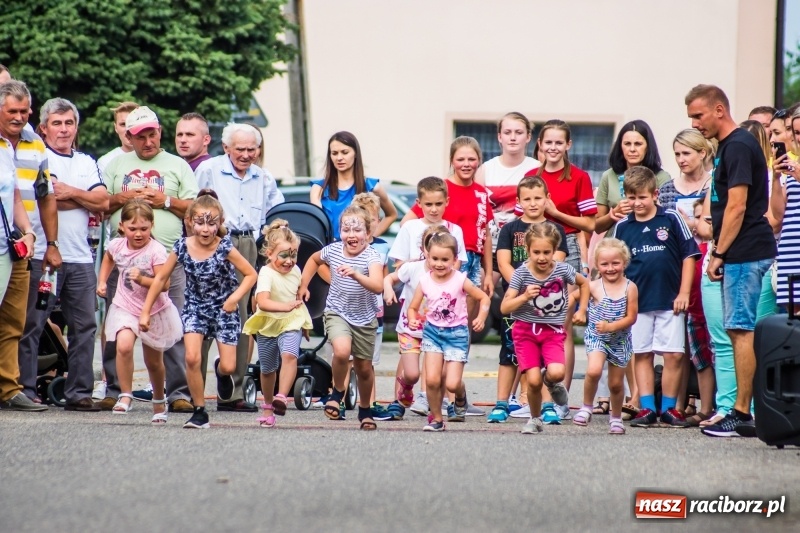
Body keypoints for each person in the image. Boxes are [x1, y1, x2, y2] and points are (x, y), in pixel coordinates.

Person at [686, 84, 777, 438]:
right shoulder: (729, 146)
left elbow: (738, 206)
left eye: (699, 115)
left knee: (741, 331)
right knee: (738, 329)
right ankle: (742, 409)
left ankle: (741, 412)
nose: (695, 124)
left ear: (719, 110)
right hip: (742, 251)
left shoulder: (738, 144)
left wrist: (719, 253)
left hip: (745, 251)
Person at [101, 105, 198, 413]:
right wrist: (123, 198)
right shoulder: (115, 164)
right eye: (140, 136)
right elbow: (101, 203)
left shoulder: (177, 165)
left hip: (167, 258)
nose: (147, 141)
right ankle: (114, 389)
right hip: (124, 260)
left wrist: (165, 200)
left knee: (171, 325)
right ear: (129, 136)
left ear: (160, 132)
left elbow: (195, 210)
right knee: (118, 328)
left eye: (152, 134)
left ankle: (177, 392)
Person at [17, 98, 108, 410]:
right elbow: (49, 199)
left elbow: (103, 201)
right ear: (43, 128)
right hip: (43, 255)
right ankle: (25, 390)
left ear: (76, 126)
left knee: (85, 327)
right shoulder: (38, 158)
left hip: (81, 258)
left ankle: (79, 393)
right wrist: (80, 198)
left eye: (69, 123)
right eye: (57, 123)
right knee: (32, 324)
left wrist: (70, 193)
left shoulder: (85, 161)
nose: (64, 129)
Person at [140, 194, 257, 429]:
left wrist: (234, 298)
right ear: (190, 222)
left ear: (220, 222)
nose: (205, 229)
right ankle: (200, 411)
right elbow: (161, 277)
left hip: (224, 309)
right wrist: (145, 311)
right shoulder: (182, 246)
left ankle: (222, 373)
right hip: (195, 308)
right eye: (200, 223)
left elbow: (251, 274)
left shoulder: (225, 247)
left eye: (212, 223)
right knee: (192, 357)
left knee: (229, 366)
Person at [195, 122, 284, 412]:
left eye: (252, 149)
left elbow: (275, 211)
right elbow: (193, 208)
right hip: (215, 240)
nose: (246, 155)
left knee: (243, 314)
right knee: (205, 309)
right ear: (226, 148)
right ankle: (191, 391)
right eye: (240, 149)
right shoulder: (209, 169)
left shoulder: (263, 176)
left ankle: (231, 390)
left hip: (248, 242)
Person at [609, 166, 700, 428]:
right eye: (632, 197)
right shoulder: (623, 226)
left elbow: (689, 255)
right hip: (637, 303)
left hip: (670, 299)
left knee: (672, 355)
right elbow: (615, 264)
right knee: (642, 354)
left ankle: (670, 408)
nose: (637, 203)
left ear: (655, 194)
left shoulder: (671, 218)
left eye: (642, 197)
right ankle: (647, 408)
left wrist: (683, 292)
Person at [0, 80, 60, 412]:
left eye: (25, 111)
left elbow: (42, 194)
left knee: (14, 321)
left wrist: (41, 238)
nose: (20, 117)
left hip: (20, 246)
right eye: (13, 111)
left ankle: (10, 388)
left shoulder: (35, 143)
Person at [524, 120, 595, 398]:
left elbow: (589, 224)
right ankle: (533, 393)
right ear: (539, 145)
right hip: (534, 248)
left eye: (558, 142)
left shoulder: (578, 177)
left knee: (559, 322)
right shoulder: (532, 175)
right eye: (547, 142)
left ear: (568, 145)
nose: (553, 147)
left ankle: (560, 392)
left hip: (566, 243)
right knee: (531, 319)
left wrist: (555, 212)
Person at [488, 176, 568, 424]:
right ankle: (502, 403)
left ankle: (547, 405)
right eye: (527, 199)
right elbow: (502, 262)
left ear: (547, 198)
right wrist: (521, 287)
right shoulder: (509, 229)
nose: (533, 203)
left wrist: (541, 290)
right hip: (517, 301)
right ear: (519, 201)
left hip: (546, 307)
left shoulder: (556, 230)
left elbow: (560, 263)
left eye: (538, 198)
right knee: (508, 353)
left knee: (544, 361)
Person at [298, 205, 384, 430]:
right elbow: (314, 260)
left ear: (368, 233)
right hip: (337, 311)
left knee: (364, 368)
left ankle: (365, 410)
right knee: (342, 351)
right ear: (340, 232)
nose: (352, 235)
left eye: (357, 231)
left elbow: (377, 286)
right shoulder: (333, 250)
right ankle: (337, 392)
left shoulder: (372, 256)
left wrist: (356, 274)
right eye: (346, 230)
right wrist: (304, 284)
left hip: (365, 319)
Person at [97, 200, 182, 421]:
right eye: (132, 229)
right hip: (125, 305)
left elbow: (164, 284)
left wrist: (143, 279)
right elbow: (108, 258)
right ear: (122, 226)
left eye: (143, 229)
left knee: (153, 362)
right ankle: (125, 394)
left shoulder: (156, 250)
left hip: (153, 310)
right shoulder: (117, 245)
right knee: (123, 346)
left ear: (152, 226)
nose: (138, 234)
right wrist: (102, 281)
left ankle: (158, 400)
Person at [500, 222, 589, 434]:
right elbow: (504, 307)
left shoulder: (563, 269)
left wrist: (581, 310)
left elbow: (585, 284)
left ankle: (551, 382)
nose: (541, 257)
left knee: (557, 373)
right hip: (524, 331)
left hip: (552, 331)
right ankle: (534, 418)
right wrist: (524, 296)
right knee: (532, 381)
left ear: (555, 251)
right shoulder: (521, 273)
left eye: (547, 252)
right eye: (536, 252)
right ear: (528, 251)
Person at [389, 176, 467, 415]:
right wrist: (419, 264)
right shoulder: (410, 228)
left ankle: (437, 404)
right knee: (410, 366)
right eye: (428, 204)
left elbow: (459, 265)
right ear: (419, 203)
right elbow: (398, 265)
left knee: (438, 364)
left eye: (439, 204)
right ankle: (399, 401)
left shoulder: (455, 230)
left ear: (447, 202)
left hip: (443, 313)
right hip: (414, 307)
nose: (434, 209)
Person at [407, 231, 490, 431]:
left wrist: (480, 317)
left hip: (457, 334)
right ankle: (436, 419)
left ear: (454, 259)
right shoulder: (425, 280)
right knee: (433, 380)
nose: (439, 264)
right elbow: (413, 306)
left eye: (445, 259)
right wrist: (412, 318)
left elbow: (483, 298)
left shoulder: (460, 279)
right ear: (428, 256)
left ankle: (460, 398)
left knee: (452, 383)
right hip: (433, 333)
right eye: (435, 258)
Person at [404, 137, 495, 320]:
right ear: (452, 161)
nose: (466, 164)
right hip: (446, 259)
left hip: (473, 262)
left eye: (471, 159)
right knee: (442, 316)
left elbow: (485, 234)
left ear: (479, 160)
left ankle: (462, 351)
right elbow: (407, 222)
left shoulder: (481, 192)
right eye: (460, 159)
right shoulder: (442, 189)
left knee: (465, 320)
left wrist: (489, 274)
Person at [242, 219, 312, 427]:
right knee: (267, 369)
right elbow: (262, 302)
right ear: (269, 253)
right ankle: (268, 406)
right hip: (268, 323)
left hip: (291, 321)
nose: (289, 261)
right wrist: (286, 307)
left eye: (294, 255)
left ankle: (281, 396)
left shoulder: (296, 270)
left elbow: (297, 294)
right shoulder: (266, 273)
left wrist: (304, 322)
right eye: (284, 255)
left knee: (290, 355)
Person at [575, 238, 638, 434]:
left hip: (620, 341)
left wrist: (612, 326)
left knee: (616, 384)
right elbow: (573, 298)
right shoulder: (593, 286)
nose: (610, 268)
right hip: (597, 337)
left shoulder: (630, 288)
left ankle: (616, 417)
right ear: (597, 265)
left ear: (624, 262)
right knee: (594, 371)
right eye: (604, 264)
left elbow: (632, 318)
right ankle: (586, 407)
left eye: (615, 263)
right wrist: (578, 312)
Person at [384, 224, 446, 409]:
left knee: (435, 375)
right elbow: (389, 278)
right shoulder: (412, 268)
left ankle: (433, 408)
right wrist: (388, 290)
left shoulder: (451, 275)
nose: (438, 262)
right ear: (424, 249)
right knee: (412, 374)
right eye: (432, 250)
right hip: (409, 330)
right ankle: (405, 388)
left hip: (436, 331)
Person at [351, 192, 401, 421]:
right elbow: (323, 265)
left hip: (373, 311)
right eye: (362, 220)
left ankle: (369, 402)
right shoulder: (343, 245)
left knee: (367, 361)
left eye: (371, 219)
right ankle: (339, 397)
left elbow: (385, 276)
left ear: (378, 222)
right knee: (344, 358)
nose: (367, 224)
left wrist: (388, 290)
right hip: (347, 308)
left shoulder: (381, 248)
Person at [475, 112, 540, 262]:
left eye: (519, 132)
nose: (512, 137)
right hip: (490, 247)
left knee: (520, 284)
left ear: (528, 137)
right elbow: (477, 212)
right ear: (499, 137)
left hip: (524, 247)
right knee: (484, 284)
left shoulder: (538, 169)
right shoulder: (486, 169)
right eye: (507, 132)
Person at [310, 131, 397, 238]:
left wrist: (369, 238)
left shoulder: (371, 186)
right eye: (334, 153)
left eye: (345, 152)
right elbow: (316, 221)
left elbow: (392, 215)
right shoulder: (319, 188)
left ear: (355, 153)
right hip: (329, 250)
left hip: (362, 251)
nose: (339, 158)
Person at [594, 120, 671, 234]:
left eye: (638, 144)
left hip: (649, 242)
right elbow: (596, 226)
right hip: (616, 244)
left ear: (648, 146)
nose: (632, 149)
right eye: (627, 144)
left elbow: (668, 219)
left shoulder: (661, 177)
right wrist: (614, 213)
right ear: (620, 146)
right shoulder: (609, 176)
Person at [771, 108, 800, 313]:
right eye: (796, 132)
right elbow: (778, 215)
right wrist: (775, 177)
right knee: (793, 328)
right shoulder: (792, 166)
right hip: (790, 253)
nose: (797, 137)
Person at [96, 102, 139, 174]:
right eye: (123, 124)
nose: (128, 129)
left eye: (133, 124)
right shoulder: (106, 162)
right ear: (116, 127)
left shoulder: (157, 159)